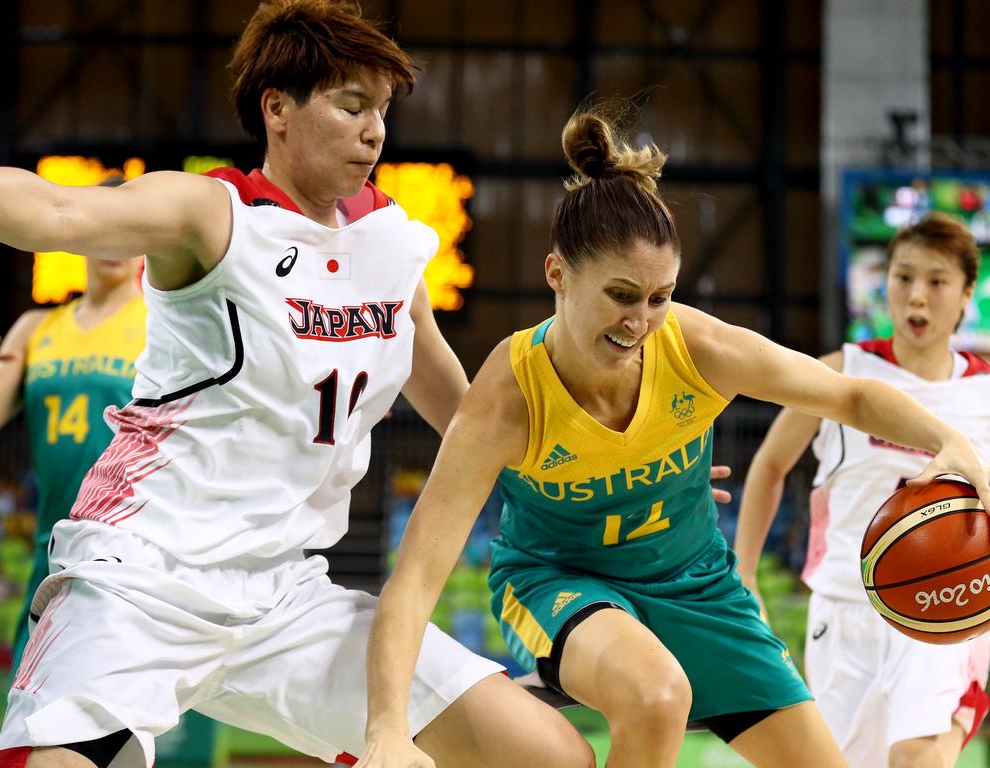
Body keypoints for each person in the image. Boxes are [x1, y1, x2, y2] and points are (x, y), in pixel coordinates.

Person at [0, 3, 599, 768]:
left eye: (383, 112)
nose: (375, 132)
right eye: (351, 105)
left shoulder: (391, 244)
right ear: (277, 110)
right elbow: (55, 210)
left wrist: (602, 475)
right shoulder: (213, 213)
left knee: (546, 753)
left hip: (285, 596)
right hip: (141, 578)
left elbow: (465, 413)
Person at [359, 106, 990, 768]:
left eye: (660, 297)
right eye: (622, 295)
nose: (641, 321)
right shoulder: (506, 400)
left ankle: (554, 686)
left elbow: (851, 394)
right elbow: (416, 578)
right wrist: (386, 729)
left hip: (695, 583)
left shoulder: (695, 347)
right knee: (658, 695)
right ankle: (561, 674)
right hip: (560, 581)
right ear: (557, 275)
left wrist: (949, 442)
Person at [733, 212, 990, 768]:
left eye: (937, 281)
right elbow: (770, 465)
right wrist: (745, 572)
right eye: (903, 277)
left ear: (967, 293)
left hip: (942, 610)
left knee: (918, 759)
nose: (916, 296)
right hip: (845, 607)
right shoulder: (842, 372)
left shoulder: (985, 392)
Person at [0, 177, 144, 673]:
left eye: (130, 227)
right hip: (55, 550)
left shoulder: (168, 326)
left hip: (135, 556)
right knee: (29, 721)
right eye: (105, 222)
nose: (116, 240)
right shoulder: (35, 329)